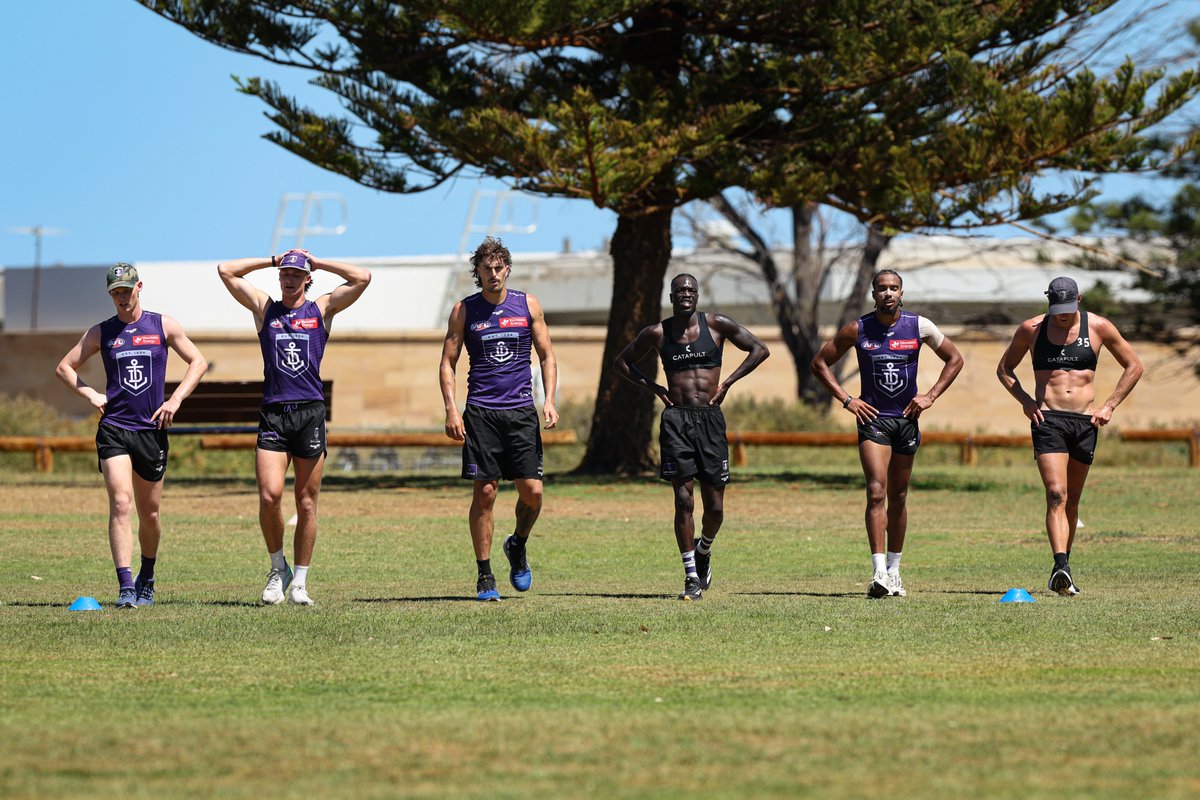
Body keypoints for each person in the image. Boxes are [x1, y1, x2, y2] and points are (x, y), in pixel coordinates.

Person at [217, 249, 371, 605]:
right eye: (284, 274)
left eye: (295, 274)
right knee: (270, 495)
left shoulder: (320, 310)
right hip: (274, 413)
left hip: (309, 414)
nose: (288, 279)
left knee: (306, 501)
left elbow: (362, 277)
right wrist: (273, 260)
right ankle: (277, 568)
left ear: (307, 279)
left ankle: (300, 581)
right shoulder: (265, 309)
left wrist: (319, 261)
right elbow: (226, 270)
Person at [56, 263, 208, 608]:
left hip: (151, 432)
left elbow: (197, 362)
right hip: (114, 430)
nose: (122, 298)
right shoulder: (102, 332)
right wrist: (92, 395)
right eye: (116, 293)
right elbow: (64, 367)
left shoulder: (162, 324)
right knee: (121, 503)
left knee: (150, 513)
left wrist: (175, 399)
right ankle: (126, 586)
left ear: (139, 287)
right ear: (110, 295)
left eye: (127, 290)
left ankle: (147, 578)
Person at [615, 273, 770, 601]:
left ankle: (704, 550)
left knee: (714, 507)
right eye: (679, 290)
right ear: (671, 297)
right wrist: (654, 387)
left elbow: (759, 350)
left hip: (710, 421)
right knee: (683, 499)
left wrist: (727, 383)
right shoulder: (658, 332)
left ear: (697, 295)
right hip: (677, 422)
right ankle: (689, 576)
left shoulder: (717, 325)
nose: (685, 294)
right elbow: (622, 362)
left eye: (690, 290)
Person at [810, 269, 963, 599]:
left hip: (907, 421)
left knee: (899, 495)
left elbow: (954, 358)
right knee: (876, 491)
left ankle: (895, 571)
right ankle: (878, 571)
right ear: (874, 293)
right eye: (882, 288)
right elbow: (820, 363)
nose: (888, 293)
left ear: (902, 293)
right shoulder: (859, 328)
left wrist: (931, 396)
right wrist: (847, 400)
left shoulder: (919, 326)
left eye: (894, 288)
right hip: (873, 420)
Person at [997, 276, 1142, 596]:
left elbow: (1133, 366)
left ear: (1079, 299)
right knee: (1056, 494)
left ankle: (1066, 565)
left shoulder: (1100, 327)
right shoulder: (1031, 329)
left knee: (1073, 498)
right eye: (1056, 308)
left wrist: (1110, 406)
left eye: (1067, 308)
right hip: (1047, 419)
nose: (1062, 315)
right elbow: (1005, 369)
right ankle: (1059, 565)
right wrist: (1025, 401)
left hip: (1086, 421)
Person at [439, 236, 559, 601]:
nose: (493, 274)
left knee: (533, 493)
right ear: (477, 272)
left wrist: (549, 400)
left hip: (521, 412)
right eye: (486, 268)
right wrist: (450, 408)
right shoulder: (464, 310)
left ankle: (518, 544)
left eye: (498, 267)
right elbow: (448, 362)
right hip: (482, 412)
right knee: (486, 492)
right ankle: (485, 575)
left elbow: (547, 356)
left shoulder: (528, 304)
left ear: (507, 269)